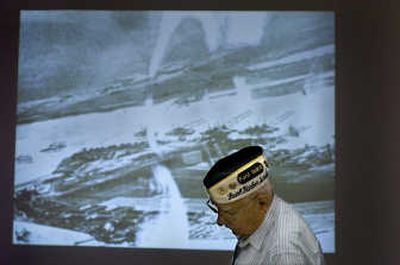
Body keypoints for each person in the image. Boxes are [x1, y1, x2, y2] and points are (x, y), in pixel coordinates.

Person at [203, 146, 325, 265]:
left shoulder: (284, 252)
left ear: (262, 202)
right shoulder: (261, 225)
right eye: (215, 208)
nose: (220, 221)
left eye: (229, 212)